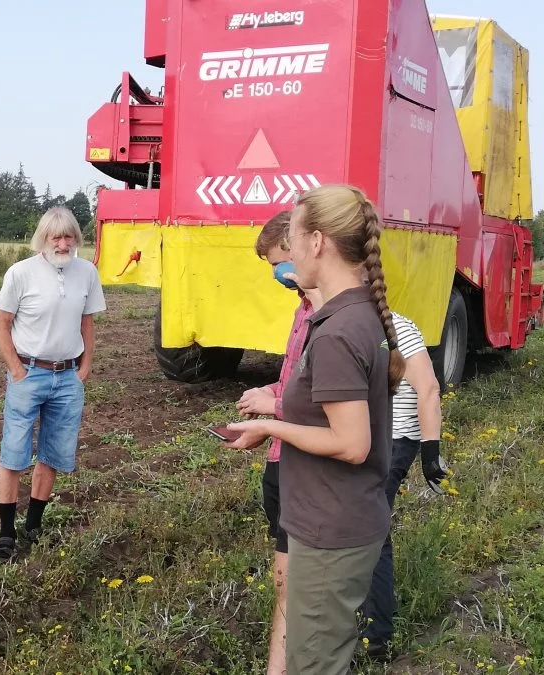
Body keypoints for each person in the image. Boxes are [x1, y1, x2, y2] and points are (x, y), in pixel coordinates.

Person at [224, 183, 404, 675]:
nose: (291, 250)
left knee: (315, 665)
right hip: (335, 521)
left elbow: (350, 443)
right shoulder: (353, 314)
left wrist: (274, 428)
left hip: (330, 530)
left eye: (296, 237)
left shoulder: (339, 331)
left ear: (318, 242)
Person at [0, 207, 106, 562]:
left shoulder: (86, 272)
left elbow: (87, 324)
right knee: (13, 454)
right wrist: (17, 370)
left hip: (67, 376)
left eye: (69, 236)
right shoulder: (21, 273)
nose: (63, 243)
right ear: (43, 238)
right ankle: (6, 533)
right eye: (56, 236)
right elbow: (0, 325)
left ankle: (33, 527)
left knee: (53, 454)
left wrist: (84, 367)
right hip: (29, 373)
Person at [235, 209, 321, 675]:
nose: (278, 275)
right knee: (286, 578)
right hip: (281, 458)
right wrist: (268, 392)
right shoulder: (303, 312)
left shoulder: (338, 320)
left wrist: (274, 412)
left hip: (305, 462)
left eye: (278, 263)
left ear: (304, 247)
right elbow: (298, 380)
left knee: (301, 582)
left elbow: (333, 408)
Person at [357, 311, 445, 661]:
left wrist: (431, 452)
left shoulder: (397, 327)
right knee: (368, 527)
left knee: (370, 530)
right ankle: (368, 620)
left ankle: (375, 636)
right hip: (367, 440)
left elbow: (429, 388)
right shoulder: (344, 322)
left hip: (393, 442)